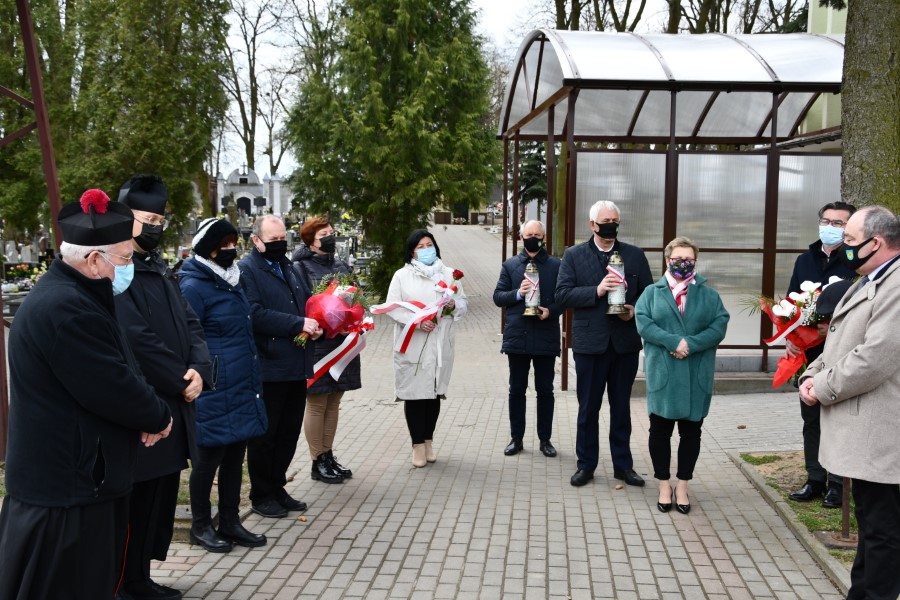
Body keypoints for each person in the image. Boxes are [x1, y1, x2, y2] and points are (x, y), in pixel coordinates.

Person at [0, 189, 172, 599]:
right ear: (95, 260)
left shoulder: (76, 295)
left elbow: (123, 365)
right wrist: (156, 416)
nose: (127, 268)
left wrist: (146, 411)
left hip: (73, 481)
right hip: (66, 491)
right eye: (125, 259)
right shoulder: (67, 308)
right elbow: (110, 383)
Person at [114, 175, 211, 600]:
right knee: (136, 502)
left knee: (160, 498)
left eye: (159, 218)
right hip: (147, 403)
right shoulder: (117, 271)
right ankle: (122, 581)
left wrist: (201, 369)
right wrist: (179, 377)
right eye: (146, 218)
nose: (155, 226)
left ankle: (140, 577)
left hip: (177, 401)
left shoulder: (160, 267)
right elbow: (135, 337)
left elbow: (191, 323)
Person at [799, 206, 900, 600]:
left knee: (882, 531)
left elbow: (874, 357)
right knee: (872, 524)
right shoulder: (869, 278)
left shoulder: (895, 285)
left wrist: (822, 387)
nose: (844, 247)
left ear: (876, 243)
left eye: (852, 241)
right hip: (867, 431)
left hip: (881, 431)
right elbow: (840, 342)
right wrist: (811, 375)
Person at [179, 218, 269, 553]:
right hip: (213, 386)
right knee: (207, 461)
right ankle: (201, 526)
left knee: (235, 457)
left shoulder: (232, 280)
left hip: (241, 382)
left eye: (234, 242)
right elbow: (188, 336)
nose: (231, 249)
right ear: (208, 247)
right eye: (224, 244)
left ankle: (230, 521)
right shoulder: (193, 285)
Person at [555, 200, 653, 487]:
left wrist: (634, 309)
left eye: (615, 220)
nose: (611, 225)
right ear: (592, 225)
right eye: (605, 220)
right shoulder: (574, 256)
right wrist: (596, 291)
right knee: (588, 408)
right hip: (590, 345)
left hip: (624, 344)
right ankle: (586, 465)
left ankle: (623, 465)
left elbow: (648, 293)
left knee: (621, 407)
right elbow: (562, 295)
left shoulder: (634, 255)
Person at [634, 237, 729, 514]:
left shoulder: (709, 295)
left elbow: (719, 325)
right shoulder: (652, 292)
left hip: (695, 373)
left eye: (689, 259)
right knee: (660, 431)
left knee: (691, 433)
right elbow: (644, 322)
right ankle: (664, 484)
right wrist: (673, 342)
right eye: (677, 259)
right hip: (664, 373)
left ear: (696, 262)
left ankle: (683, 485)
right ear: (667, 261)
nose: (683, 264)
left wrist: (691, 344)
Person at [239, 215, 322, 518]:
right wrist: (298, 323)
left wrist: (320, 322)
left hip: (295, 362)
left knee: (288, 432)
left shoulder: (289, 266)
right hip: (269, 364)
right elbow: (254, 313)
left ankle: (277, 486)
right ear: (256, 240)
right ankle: (261, 494)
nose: (279, 244)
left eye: (282, 238)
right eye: (272, 240)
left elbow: (306, 303)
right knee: (266, 435)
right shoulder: (248, 270)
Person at [785, 201, 857, 509]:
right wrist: (790, 336)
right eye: (826, 221)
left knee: (837, 418)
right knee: (811, 417)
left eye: (839, 223)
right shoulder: (805, 259)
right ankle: (815, 477)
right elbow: (790, 300)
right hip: (809, 351)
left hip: (844, 351)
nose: (831, 227)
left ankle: (838, 484)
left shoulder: (856, 261)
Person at [384, 229, 467, 467]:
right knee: (415, 394)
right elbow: (392, 307)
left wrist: (453, 304)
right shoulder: (402, 276)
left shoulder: (449, 274)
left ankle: (429, 441)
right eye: (420, 246)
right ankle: (417, 445)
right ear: (412, 251)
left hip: (440, 343)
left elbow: (463, 304)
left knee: (433, 394)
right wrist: (417, 322)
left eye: (429, 244)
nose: (426, 249)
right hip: (414, 342)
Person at [292, 217, 361, 484]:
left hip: (341, 343)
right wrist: (319, 324)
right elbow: (302, 302)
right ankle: (316, 459)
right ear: (311, 240)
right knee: (318, 403)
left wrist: (352, 320)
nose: (330, 237)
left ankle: (329, 455)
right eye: (324, 233)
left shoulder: (341, 265)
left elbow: (354, 296)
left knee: (334, 402)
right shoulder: (300, 267)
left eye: (332, 232)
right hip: (318, 344)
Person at [492, 219, 563, 458]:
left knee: (545, 390)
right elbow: (498, 296)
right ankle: (516, 438)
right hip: (518, 336)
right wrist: (518, 293)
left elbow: (564, 297)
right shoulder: (511, 265)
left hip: (545, 335)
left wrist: (551, 311)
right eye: (529, 234)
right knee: (516, 390)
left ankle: (546, 440)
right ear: (521, 237)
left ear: (544, 237)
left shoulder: (556, 265)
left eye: (538, 234)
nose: (533, 238)